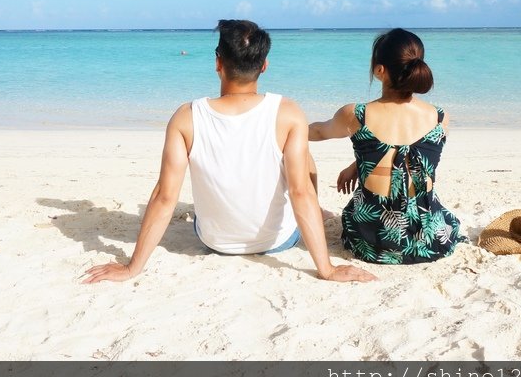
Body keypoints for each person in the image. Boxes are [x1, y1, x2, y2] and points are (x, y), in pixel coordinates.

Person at [83, 20, 375, 284]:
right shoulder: (288, 112)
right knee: (301, 156)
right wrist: (326, 269)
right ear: (264, 66)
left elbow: (165, 195)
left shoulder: (186, 117)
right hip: (277, 240)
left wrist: (133, 267)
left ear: (218, 63)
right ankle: (319, 213)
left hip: (214, 241)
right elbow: (300, 192)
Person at [309, 28, 467, 264]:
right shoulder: (439, 117)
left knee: (353, 212)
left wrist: (280, 127)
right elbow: (406, 151)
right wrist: (358, 163)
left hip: (374, 239)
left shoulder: (356, 114)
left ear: (379, 70)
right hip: (429, 238)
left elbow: (319, 131)